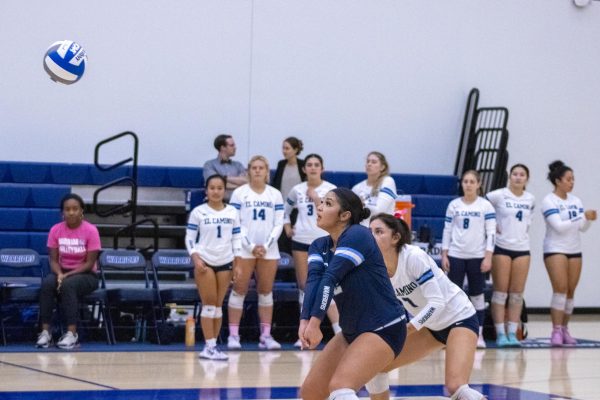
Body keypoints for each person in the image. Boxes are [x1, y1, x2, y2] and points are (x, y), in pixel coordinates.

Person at [299, 188, 407, 400]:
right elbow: (313, 283)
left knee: (341, 388)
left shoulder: (358, 235)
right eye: (320, 202)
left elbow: (330, 278)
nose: (319, 207)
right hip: (352, 330)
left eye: (328, 203)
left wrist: (315, 323)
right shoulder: (319, 245)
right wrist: (305, 321)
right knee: (311, 393)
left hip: (384, 327)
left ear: (345, 215)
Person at [366, 214, 484, 400]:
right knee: (375, 366)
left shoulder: (413, 257)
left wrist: (409, 328)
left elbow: (437, 302)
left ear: (395, 238)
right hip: (432, 327)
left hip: (459, 319)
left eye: (378, 231)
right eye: (369, 232)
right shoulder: (375, 268)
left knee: (456, 387)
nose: (371, 236)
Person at [283, 153, 341, 347]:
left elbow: (335, 214)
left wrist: (317, 199)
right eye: (309, 165)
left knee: (328, 285)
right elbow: (286, 207)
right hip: (301, 241)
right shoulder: (297, 189)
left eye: (317, 164)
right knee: (305, 287)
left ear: (322, 168)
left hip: (323, 240)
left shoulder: (330, 189)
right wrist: (286, 224)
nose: (313, 168)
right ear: (304, 169)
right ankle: (304, 334)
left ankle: (340, 332)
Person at [226, 156, 285, 350]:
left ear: (267, 171)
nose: (258, 171)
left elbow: (278, 223)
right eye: (254, 168)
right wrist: (251, 246)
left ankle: (266, 335)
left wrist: (266, 245)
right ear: (249, 171)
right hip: (244, 249)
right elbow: (236, 223)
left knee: (266, 292)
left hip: (269, 250)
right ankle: (234, 335)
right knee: (239, 289)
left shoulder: (275, 194)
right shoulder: (239, 194)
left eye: (261, 168)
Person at [185, 174, 241, 360]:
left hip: (225, 261)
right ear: (206, 190)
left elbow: (236, 238)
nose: (216, 191)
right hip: (205, 261)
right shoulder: (198, 212)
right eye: (212, 188)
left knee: (218, 307)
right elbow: (190, 238)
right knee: (209, 305)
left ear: (224, 190)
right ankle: (208, 346)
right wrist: (195, 257)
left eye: (219, 188)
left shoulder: (232, 212)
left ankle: (213, 345)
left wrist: (237, 262)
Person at [36, 193, 101, 350]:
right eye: (67, 209)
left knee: (68, 285)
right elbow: (53, 260)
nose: (71, 212)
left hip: (87, 275)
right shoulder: (55, 230)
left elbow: (90, 262)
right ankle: (45, 333)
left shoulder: (91, 231)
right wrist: (59, 273)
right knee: (47, 284)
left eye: (75, 209)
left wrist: (66, 276)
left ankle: (72, 334)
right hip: (63, 272)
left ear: (81, 211)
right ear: (62, 213)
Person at [542, 160, 596, 346]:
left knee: (571, 292)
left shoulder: (576, 201)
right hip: (555, 249)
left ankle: (565, 329)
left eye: (573, 179)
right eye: (568, 179)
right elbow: (558, 226)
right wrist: (581, 217)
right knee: (560, 289)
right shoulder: (549, 200)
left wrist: (588, 220)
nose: (572, 182)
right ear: (558, 181)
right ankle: (555, 330)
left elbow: (581, 227)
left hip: (574, 249)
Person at [441, 170, 496, 348]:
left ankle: (478, 334)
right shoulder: (454, 205)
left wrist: (488, 256)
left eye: (472, 181)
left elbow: (491, 233)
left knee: (477, 296)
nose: (468, 184)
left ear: (479, 184)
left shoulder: (485, 206)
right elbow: (447, 230)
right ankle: (451, 333)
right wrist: (444, 253)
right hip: (456, 255)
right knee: (454, 296)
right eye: (465, 181)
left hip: (477, 257)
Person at [486, 164, 535, 347]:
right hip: (502, 247)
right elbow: (483, 205)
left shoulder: (530, 198)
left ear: (526, 179)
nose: (518, 177)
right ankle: (500, 333)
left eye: (522, 174)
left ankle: (513, 333)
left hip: (522, 248)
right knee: (500, 293)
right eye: (515, 174)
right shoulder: (498, 195)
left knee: (516, 294)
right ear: (509, 176)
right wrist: (491, 224)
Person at [272, 137, 307, 254]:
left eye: (287, 148)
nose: (284, 151)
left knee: (295, 240)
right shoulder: (281, 164)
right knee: (282, 242)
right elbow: (276, 185)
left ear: (296, 150)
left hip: (298, 210)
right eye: (283, 148)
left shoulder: (303, 165)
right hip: (282, 209)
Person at [352, 152, 398, 226]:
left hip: (383, 227)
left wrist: (361, 204)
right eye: (368, 161)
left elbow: (379, 211)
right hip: (361, 228)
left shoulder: (388, 181)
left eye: (374, 162)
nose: (369, 164)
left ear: (382, 167)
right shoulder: (357, 188)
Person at [202, 134, 248, 201]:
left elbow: (246, 182)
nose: (235, 147)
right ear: (222, 147)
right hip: (217, 201)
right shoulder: (209, 165)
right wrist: (238, 184)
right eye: (232, 145)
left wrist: (224, 178)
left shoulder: (238, 165)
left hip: (238, 201)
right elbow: (215, 185)